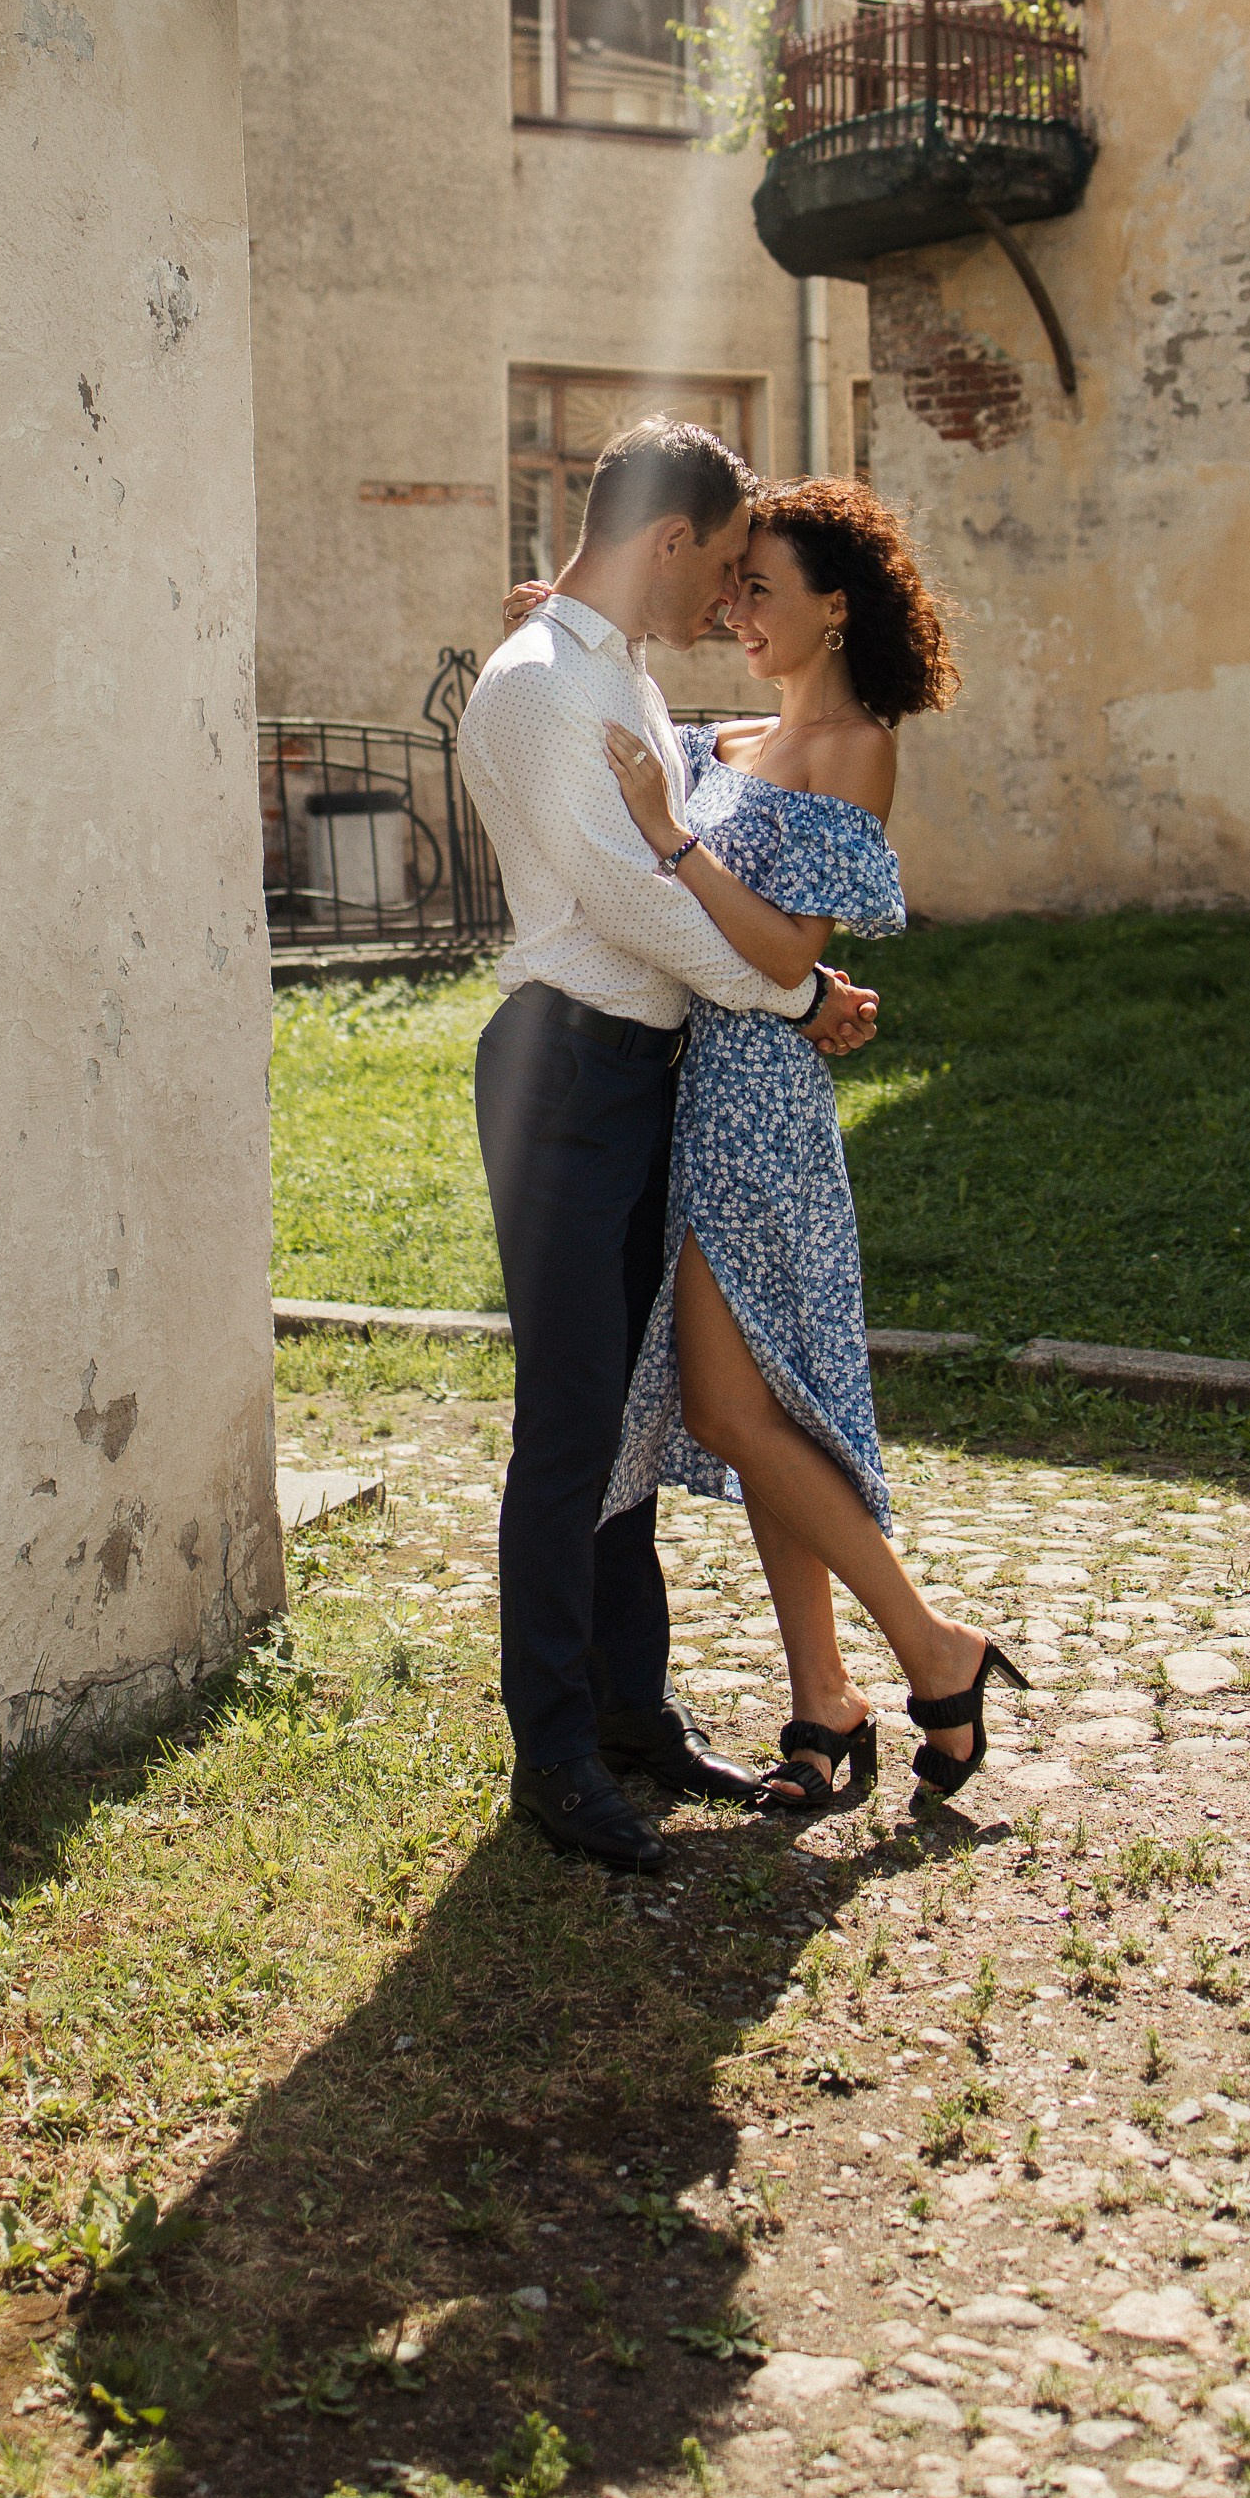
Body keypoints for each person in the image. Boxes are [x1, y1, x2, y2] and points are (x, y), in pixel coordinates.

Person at [457, 420, 881, 1876]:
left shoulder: (609, 670)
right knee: (572, 1418)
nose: (719, 605)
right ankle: (555, 1752)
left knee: (633, 1408)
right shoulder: (532, 693)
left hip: (648, 1074)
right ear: (664, 540)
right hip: (562, 1073)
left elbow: (692, 814)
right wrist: (803, 991)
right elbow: (635, 908)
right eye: (715, 568)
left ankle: (632, 1714)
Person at [596, 479, 1027, 1819]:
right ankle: (822, 1703)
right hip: (690, 1091)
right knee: (764, 1408)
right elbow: (619, 725)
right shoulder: (722, 738)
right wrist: (563, 622)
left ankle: (933, 1648)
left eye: (759, 592)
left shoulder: (856, 748)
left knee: (736, 1408)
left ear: (835, 608)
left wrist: (670, 836)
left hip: (763, 1105)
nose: (735, 613)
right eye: (729, 591)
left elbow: (788, 951)